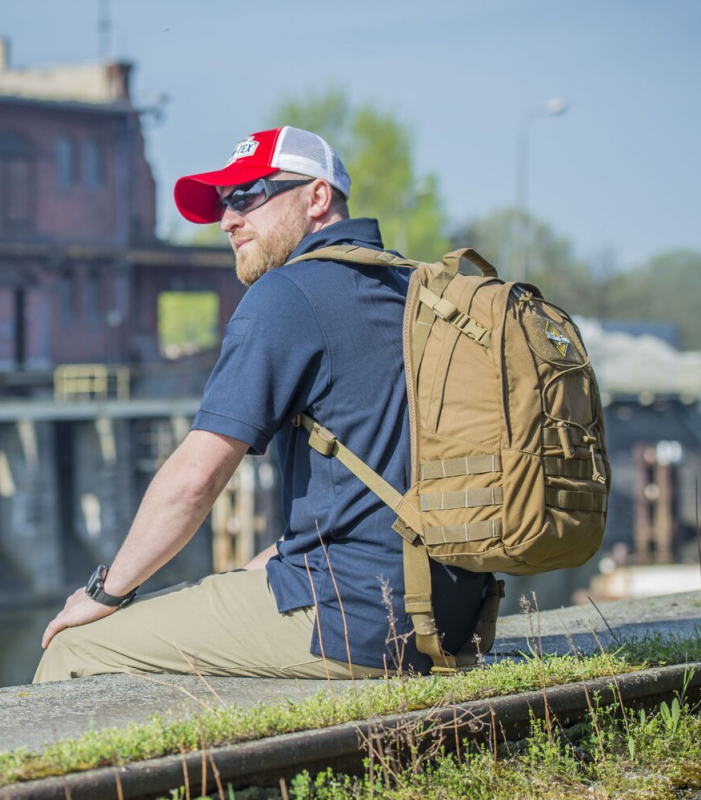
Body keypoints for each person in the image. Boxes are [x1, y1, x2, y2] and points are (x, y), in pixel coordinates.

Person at [34, 127, 490, 683]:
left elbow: (195, 479)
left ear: (317, 197)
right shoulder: (412, 289)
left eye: (249, 195)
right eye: (225, 203)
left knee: (75, 649)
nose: (228, 220)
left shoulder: (286, 294)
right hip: (452, 616)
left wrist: (103, 593)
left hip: (355, 624)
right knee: (234, 584)